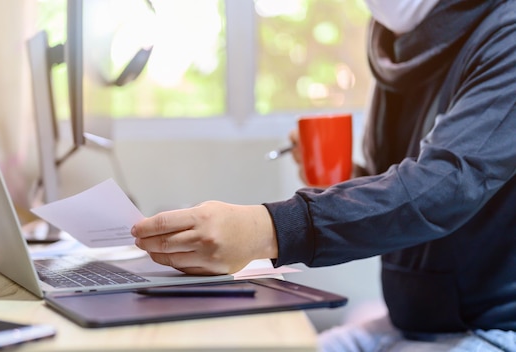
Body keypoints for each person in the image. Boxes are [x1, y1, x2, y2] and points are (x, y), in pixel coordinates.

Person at [130, 0, 516, 350]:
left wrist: (267, 230)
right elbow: (405, 183)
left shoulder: (507, 33)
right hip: (412, 319)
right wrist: (349, 177)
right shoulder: (393, 38)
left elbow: (446, 186)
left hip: (493, 327)